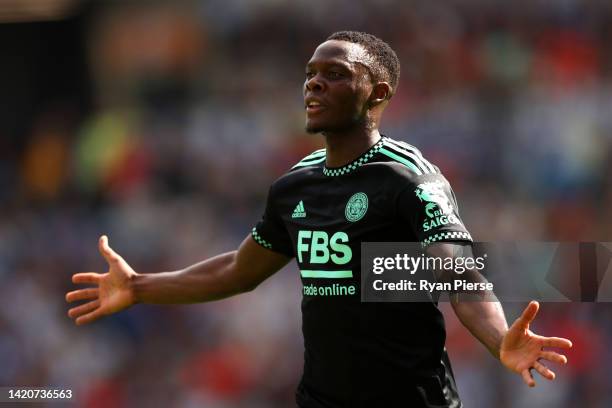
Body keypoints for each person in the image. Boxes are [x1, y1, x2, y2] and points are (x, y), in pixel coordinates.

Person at [66, 31, 572, 407]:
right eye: (310, 73)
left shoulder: (407, 178)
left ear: (377, 93)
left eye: (336, 74)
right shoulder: (294, 187)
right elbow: (237, 271)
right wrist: (139, 285)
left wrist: (498, 338)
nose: (314, 83)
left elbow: (458, 275)